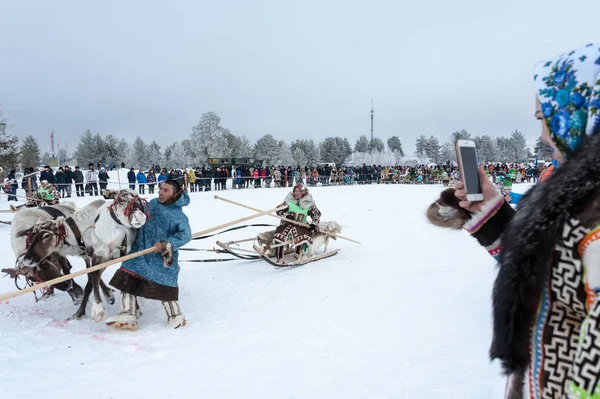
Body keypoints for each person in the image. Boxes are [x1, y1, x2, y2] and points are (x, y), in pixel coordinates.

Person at [427, 43, 600, 398]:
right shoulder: (574, 192)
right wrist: (491, 211)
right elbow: (546, 267)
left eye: (544, 118)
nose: (543, 135)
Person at [106, 179, 191, 330]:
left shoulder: (178, 216)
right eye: (160, 188)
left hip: (159, 257)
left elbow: (185, 235)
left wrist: (166, 243)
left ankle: (176, 316)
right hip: (140, 250)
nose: (161, 192)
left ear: (175, 194)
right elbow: (139, 212)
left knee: (164, 287)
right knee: (127, 276)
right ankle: (128, 314)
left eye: (166, 190)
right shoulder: (152, 203)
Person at [272, 184, 321, 264]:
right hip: (286, 224)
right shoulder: (289, 201)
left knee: (303, 235)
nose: (296, 193)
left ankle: (298, 253)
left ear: (303, 192)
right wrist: (286, 216)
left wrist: (314, 223)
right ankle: (279, 258)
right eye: (295, 191)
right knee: (279, 235)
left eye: (299, 191)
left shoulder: (309, 203)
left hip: (301, 225)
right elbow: (279, 210)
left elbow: (316, 214)